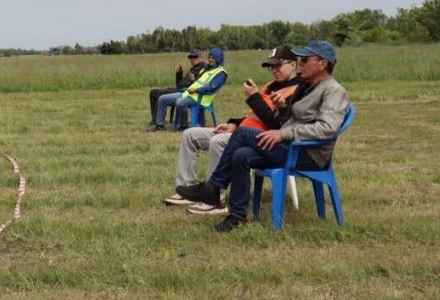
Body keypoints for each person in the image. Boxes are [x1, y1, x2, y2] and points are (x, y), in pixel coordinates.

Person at [176, 40, 350, 232]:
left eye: (305, 59)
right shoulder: (307, 87)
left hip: (307, 154)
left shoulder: (334, 91)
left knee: (242, 133)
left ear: (323, 64)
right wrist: (284, 108)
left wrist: (283, 134)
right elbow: (295, 117)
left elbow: (327, 128)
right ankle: (237, 216)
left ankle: (214, 187)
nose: (300, 63)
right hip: (291, 147)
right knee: (240, 155)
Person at [165, 46, 302, 214]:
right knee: (190, 134)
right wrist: (235, 124)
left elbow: (277, 127)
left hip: (259, 140)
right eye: (270, 66)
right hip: (240, 132)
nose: (274, 70)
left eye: (278, 66)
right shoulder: (271, 86)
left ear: (294, 65)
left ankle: (215, 200)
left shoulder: (298, 91)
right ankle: (186, 189)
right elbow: (255, 116)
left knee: (217, 141)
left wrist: (254, 97)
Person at [150, 48, 227, 131]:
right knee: (162, 99)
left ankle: (183, 126)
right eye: (209, 57)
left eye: (212, 58)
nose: (209, 59)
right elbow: (193, 81)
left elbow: (211, 88)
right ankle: (160, 126)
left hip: (200, 98)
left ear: (218, 58)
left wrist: (196, 90)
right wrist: (181, 74)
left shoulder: (221, 73)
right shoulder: (207, 68)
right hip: (188, 93)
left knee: (180, 102)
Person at [148, 49, 206, 129]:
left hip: (187, 92)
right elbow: (179, 84)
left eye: (194, 57)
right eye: (190, 57)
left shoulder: (203, 69)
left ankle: (157, 122)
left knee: (159, 94)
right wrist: (179, 73)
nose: (192, 59)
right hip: (180, 89)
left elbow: (200, 85)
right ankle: (154, 119)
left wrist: (193, 79)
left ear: (200, 57)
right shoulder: (193, 69)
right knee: (153, 92)